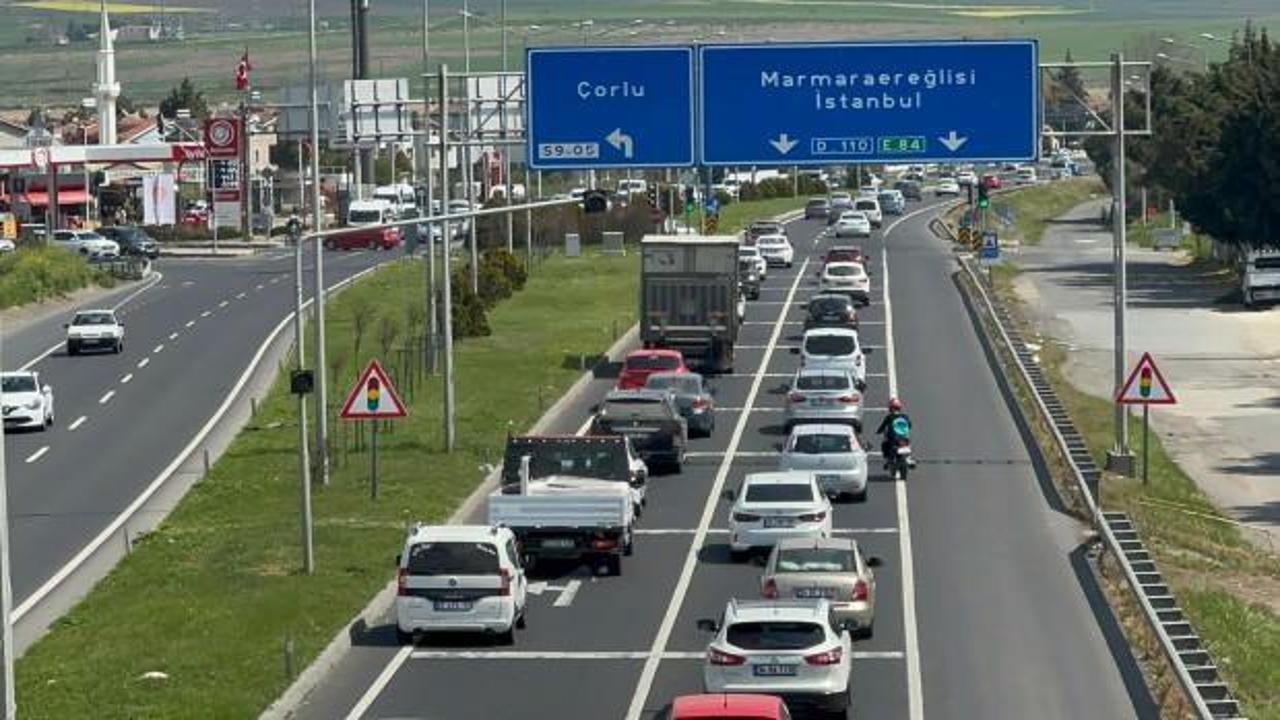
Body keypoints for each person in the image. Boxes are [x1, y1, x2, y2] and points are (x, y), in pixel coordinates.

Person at [877, 397, 914, 469]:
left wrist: (879, 431)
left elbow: (883, 426)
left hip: (893, 438)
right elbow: (909, 425)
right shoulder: (905, 416)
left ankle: (888, 460)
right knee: (907, 444)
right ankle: (908, 459)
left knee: (884, 444)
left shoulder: (889, 417)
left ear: (890, 408)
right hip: (904, 437)